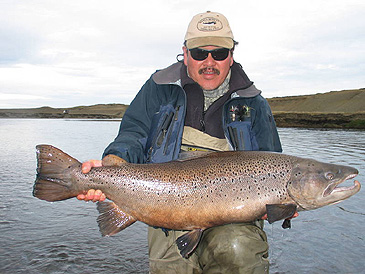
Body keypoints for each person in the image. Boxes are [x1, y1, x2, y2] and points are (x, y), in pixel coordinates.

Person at [78, 11, 283, 273]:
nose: (209, 62)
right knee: (172, 268)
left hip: (236, 217)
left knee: (240, 253)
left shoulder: (254, 103)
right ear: (185, 54)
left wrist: (279, 208)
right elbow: (133, 133)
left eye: (219, 53)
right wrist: (113, 163)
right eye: (199, 53)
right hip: (166, 207)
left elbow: (273, 163)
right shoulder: (158, 88)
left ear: (231, 56)